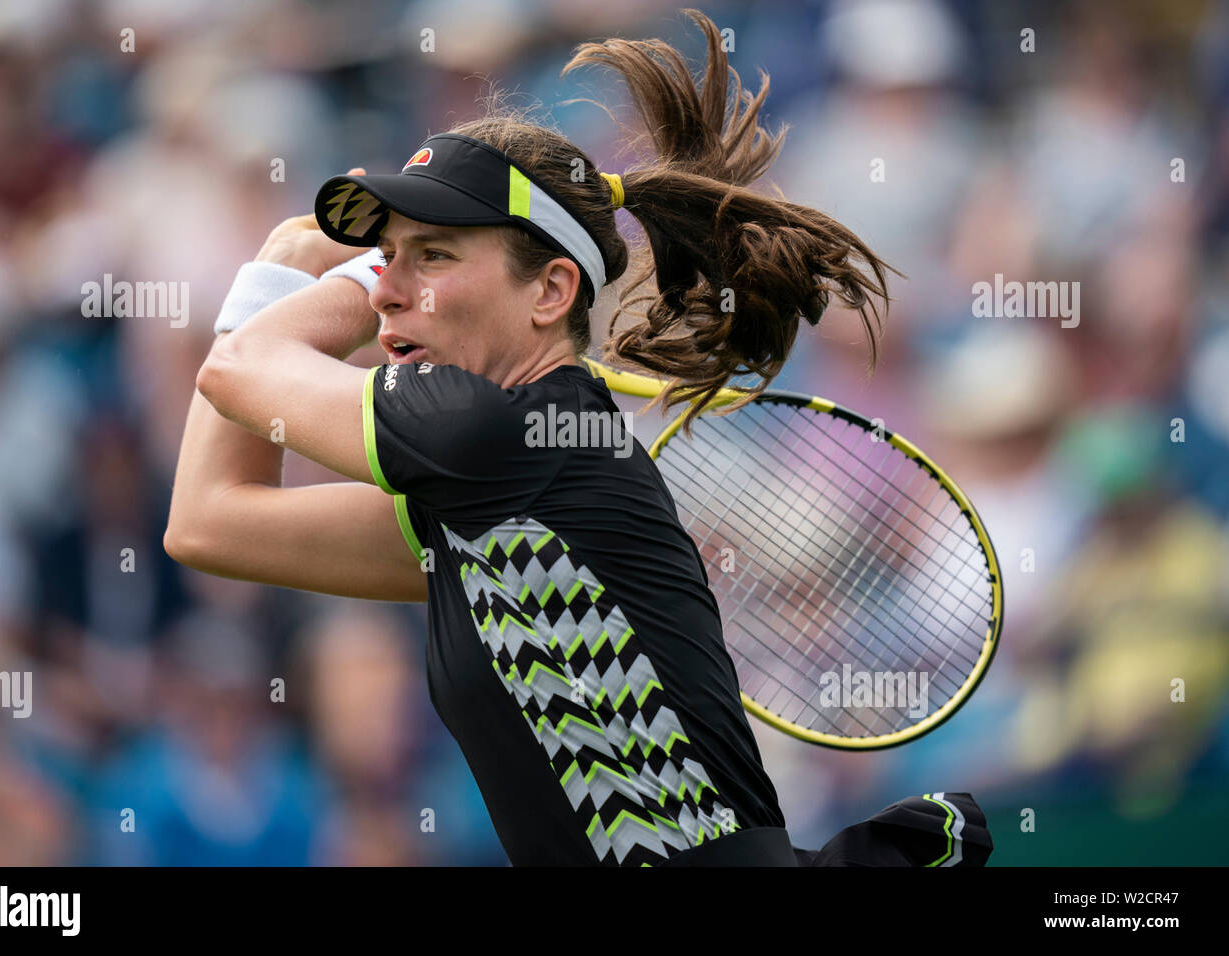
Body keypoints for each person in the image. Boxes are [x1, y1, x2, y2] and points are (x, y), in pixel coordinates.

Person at [165, 9, 991, 866]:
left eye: (432, 256)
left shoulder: (497, 435)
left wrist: (314, 273)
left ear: (552, 291)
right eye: (389, 257)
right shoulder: (489, 491)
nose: (387, 294)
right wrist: (298, 276)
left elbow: (237, 370)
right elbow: (207, 520)